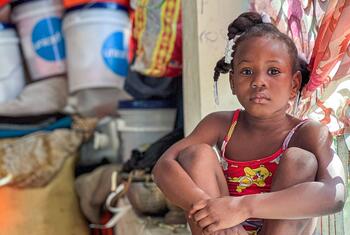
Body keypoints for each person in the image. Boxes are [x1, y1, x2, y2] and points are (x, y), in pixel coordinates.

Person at [152, 12, 346, 235]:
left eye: (273, 71)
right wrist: (211, 210)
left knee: (301, 160)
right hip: (225, 230)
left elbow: (336, 194)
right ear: (233, 82)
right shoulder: (220, 124)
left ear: (294, 84)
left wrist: (242, 207)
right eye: (246, 71)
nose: (258, 82)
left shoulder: (308, 133)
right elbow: (163, 166)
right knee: (196, 155)